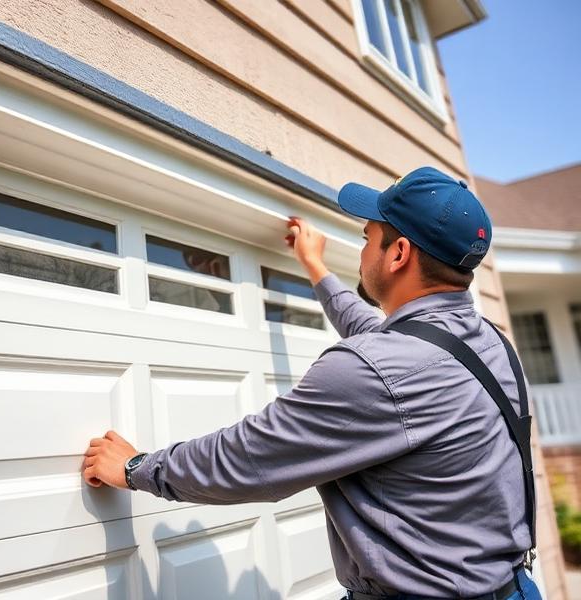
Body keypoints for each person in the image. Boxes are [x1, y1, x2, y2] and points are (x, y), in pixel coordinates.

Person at [82, 166, 542, 600]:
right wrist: (316, 268)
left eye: (368, 238)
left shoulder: (377, 368)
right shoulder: (490, 344)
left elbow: (247, 458)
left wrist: (136, 468)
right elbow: (380, 338)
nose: (362, 252)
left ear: (399, 253)